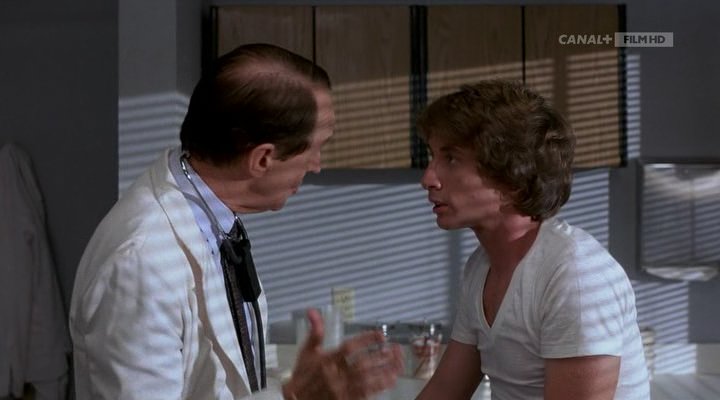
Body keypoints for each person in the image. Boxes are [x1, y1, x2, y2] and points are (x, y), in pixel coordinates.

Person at [69, 43, 403, 400]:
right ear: (262, 159)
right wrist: (296, 396)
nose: (317, 165)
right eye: (315, 148)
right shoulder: (143, 263)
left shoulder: (213, 220)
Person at [415, 80, 650, 400]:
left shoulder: (574, 273)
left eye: (451, 159)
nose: (428, 178)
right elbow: (444, 391)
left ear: (512, 177)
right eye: (433, 157)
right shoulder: (481, 268)